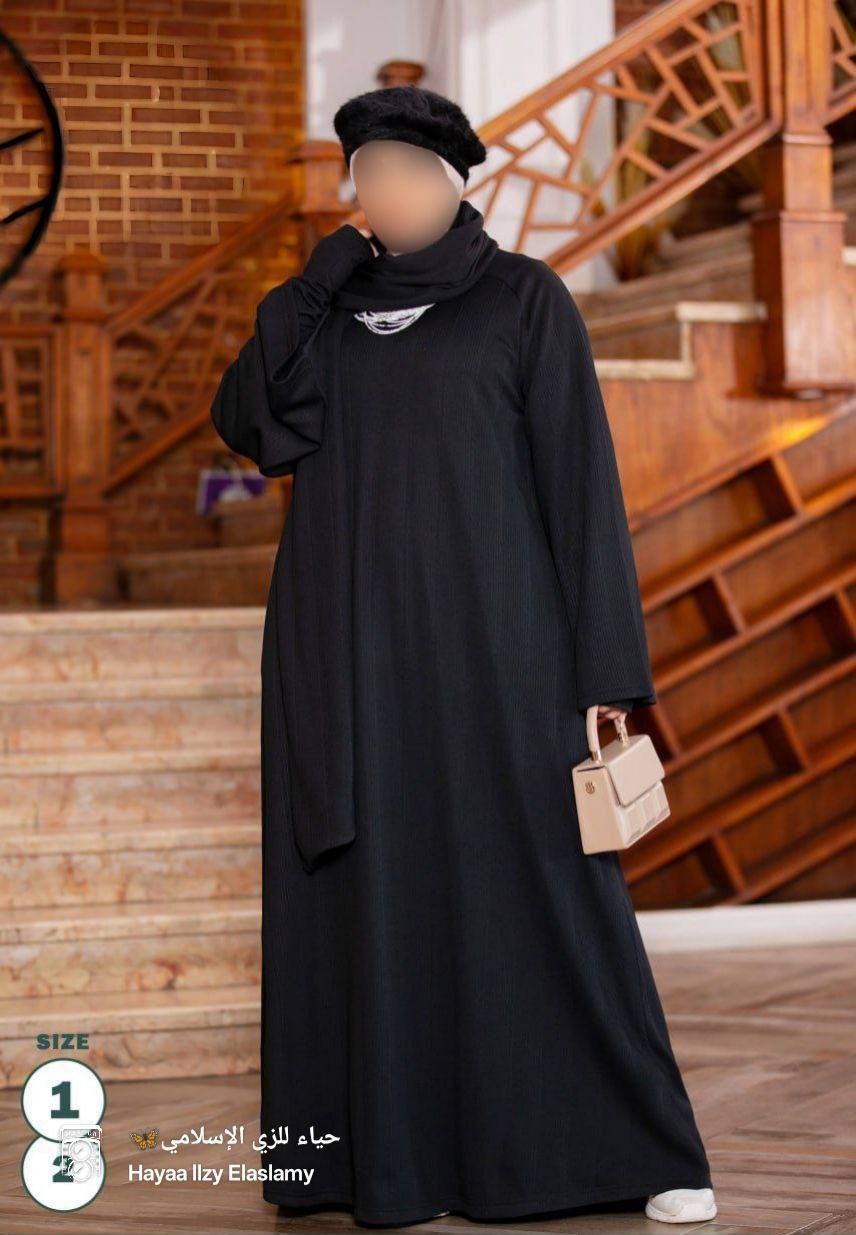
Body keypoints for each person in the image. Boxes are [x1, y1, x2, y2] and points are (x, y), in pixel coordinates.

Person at [210, 84, 717, 1227]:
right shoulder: (329, 312)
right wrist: (314, 282)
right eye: (366, 176)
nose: (382, 192)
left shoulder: (523, 299)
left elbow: (580, 488)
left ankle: (638, 1146)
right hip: (344, 662)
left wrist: (604, 676)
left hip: (502, 657)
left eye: (402, 170)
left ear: (450, 182)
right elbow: (245, 421)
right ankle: (381, 1162)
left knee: (545, 892)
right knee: (364, 897)